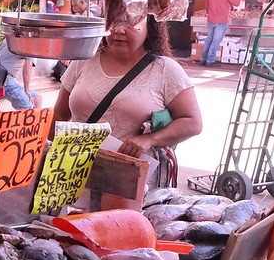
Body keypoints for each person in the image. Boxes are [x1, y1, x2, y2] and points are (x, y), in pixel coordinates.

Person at [53, 14, 202, 160]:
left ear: (149, 25)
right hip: (74, 168)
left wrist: (151, 139)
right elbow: (59, 115)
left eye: (130, 21)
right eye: (113, 20)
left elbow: (192, 122)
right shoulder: (85, 59)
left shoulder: (165, 69)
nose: (119, 30)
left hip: (131, 172)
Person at [200, 0, 241, 67]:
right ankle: (210, 61)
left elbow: (207, 4)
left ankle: (203, 59)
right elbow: (237, 3)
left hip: (211, 20)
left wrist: (209, 13)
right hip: (222, 21)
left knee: (209, 39)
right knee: (215, 41)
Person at [0, 41, 41, 110]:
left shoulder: (9, 39)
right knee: (27, 107)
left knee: (37, 98)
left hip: (3, 77)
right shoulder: (29, 44)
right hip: (5, 79)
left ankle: (38, 116)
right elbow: (28, 66)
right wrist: (27, 91)